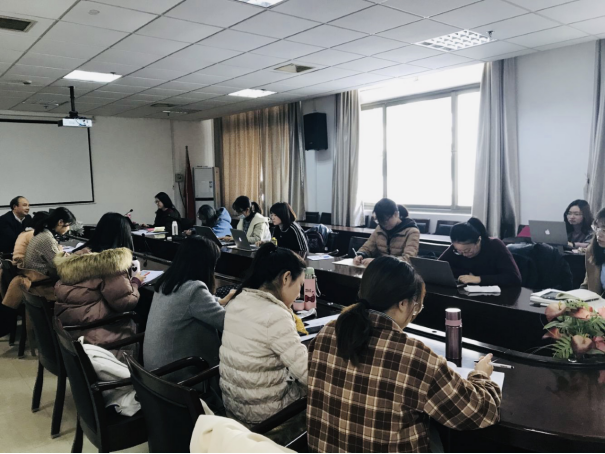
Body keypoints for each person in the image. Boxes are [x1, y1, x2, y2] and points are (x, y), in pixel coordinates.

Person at [307, 257, 502, 453]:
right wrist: (481, 375)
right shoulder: (414, 356)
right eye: (416, 306)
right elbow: (479, 411)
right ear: (402, 303)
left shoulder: (328, 332)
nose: (414, 314)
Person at [220, 243, 308, 428]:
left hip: (234, 412)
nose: (299, 294)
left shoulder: (237, 301)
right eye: (300, 285)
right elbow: (308, 374)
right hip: (265, 420)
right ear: (286, 278)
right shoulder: (275, 316)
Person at [54, 212, 146, 358]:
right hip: (98, 337)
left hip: (73, 333)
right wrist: (136, 282)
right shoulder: (111, 265)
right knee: (143, 318)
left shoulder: (77, 258)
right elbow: (125, 303)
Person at [145, 237, 236, 376]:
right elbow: (227, 323)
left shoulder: (168, 282)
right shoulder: (194, 290)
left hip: (155, 371)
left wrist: (221, 300)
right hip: (178, 376)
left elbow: (199, 302)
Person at [439, 217, 522, 287]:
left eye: (467, 250)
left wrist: (479, 279)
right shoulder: (458, 246)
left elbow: (514, 278)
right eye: (459, 251)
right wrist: (466, 274)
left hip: (497, 296)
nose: (464, 254)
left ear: (478, 240)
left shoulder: (495, 246)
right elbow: (439, 267)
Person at [354, 198, 420, 265]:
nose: (383, 224)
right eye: (380, 221)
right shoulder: (379, 228)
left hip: (400, 270)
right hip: (380, 269)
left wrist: (378, 262)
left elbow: (408, 259)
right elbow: (367, 248)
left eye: (386, 220)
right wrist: (361, 255)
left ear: (396, 214)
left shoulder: (412, 231)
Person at [23, 207, 76, 277]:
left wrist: (62, 253)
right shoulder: (47, 239)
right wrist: (75, 255)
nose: (68, 228)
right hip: (41, 277)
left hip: (33, 273)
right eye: (68, 225)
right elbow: (59, 265)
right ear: (60, 222)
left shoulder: (43, 233)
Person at [581, 208, 605, 294]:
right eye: (597, 228)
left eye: (604, 230)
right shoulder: (592, 251)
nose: (599, 234)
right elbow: (587, 284)